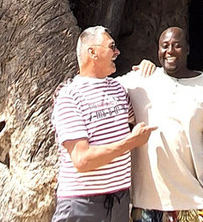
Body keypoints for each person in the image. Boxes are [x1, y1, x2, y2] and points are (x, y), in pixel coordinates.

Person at [120, 27, 203, 222]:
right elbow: (100, 90)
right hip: (146, 206)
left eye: (177, 45)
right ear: (157, 51)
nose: (170, 51)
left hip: (194, 205)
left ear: (187, 49)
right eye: (164, 46)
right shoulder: (140, 82)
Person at [52, 26, 156, 222]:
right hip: (82, 205)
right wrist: (130, 143)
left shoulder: (118, 89)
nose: (117, 52)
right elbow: (82, 160)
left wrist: (147, 70)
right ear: (92, 52)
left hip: (119, 203)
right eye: (111, 46)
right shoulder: (69, 97)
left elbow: (146, 107)